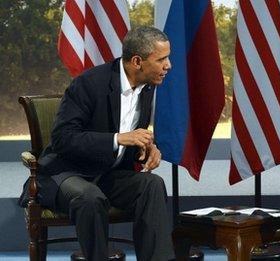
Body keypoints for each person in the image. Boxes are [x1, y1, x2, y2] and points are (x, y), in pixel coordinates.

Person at [19, 26, 174, 260]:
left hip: (107, 172)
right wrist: (117, 139)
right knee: (90, 198)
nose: (168, 65)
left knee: (152, 186)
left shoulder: (148, 86)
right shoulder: (89, 84)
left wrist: (150, 146)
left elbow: (130, 130)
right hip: (66, 173)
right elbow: (63, 139)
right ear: (137, 61)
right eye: (161, 59)